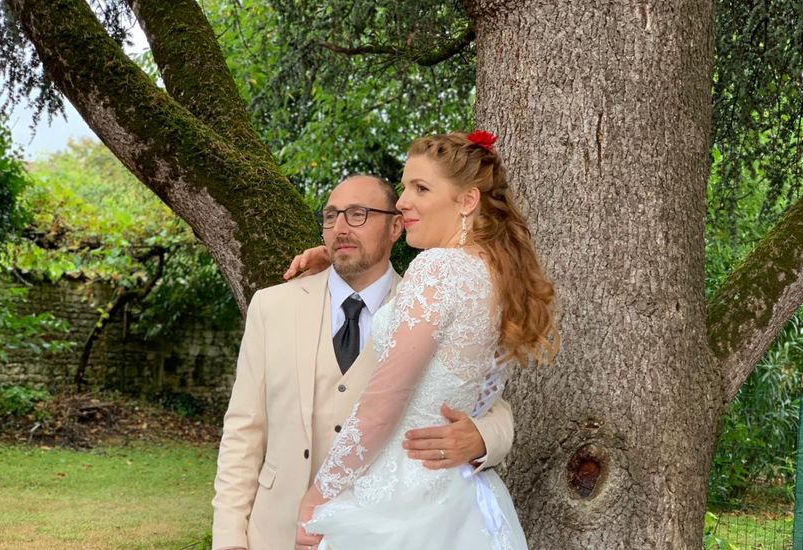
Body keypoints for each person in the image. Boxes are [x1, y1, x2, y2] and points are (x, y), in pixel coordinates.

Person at [211, 174, 516, 550]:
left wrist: (482, 439)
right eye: (331, 215)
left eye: (358, 214)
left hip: (378, 531)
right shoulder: (272, 306)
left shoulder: (430, 303)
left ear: (395, 227)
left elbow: (489, 402)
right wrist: (228, 538)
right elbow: (243, 430)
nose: (340, 227)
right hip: (275, 532)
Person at [293, 131, 559, 550]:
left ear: (467, 201)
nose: (402, 201)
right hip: (463, 496)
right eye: (403, 187)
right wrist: (332, 258)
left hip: (405, 496)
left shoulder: (437, 269)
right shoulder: (497, 276)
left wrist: (318, 497)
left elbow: (385, 399)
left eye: (420, 188)